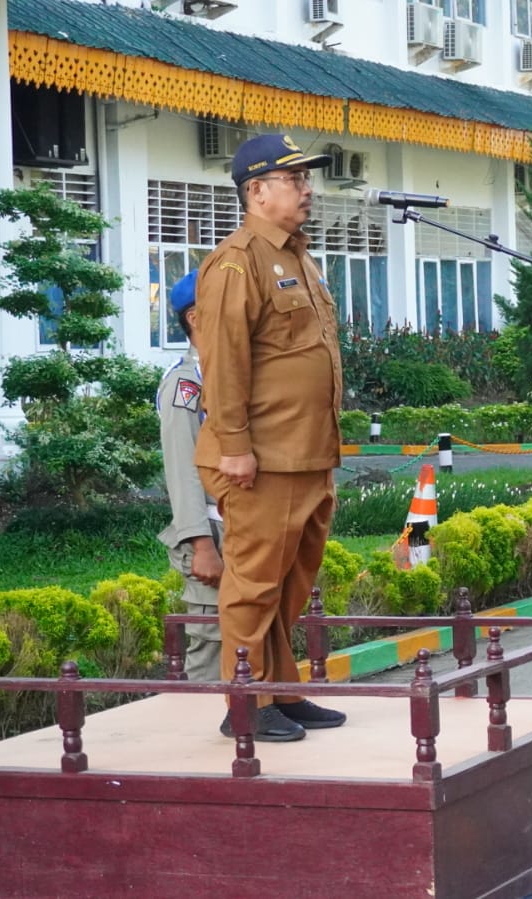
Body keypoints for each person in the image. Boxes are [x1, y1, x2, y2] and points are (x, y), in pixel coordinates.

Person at [194, 133, 346, 742]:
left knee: (292, 582)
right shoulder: (237, 262)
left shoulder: (298, 257)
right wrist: (234, 447)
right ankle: (245, 701)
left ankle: (280, 691)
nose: (308, 189)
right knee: (254, 583)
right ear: (256, 191)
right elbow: (225, 363)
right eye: (295, 180)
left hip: (308, 453)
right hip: (260, 459)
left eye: (307, 179)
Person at [157, 270, 223, 682]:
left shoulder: (225, 374)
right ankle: (199, 735)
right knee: (214, 646)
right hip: (213, 536)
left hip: (245, 530)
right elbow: (182, 471)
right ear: (195, 318)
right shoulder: (186, 383)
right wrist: (201, 545)